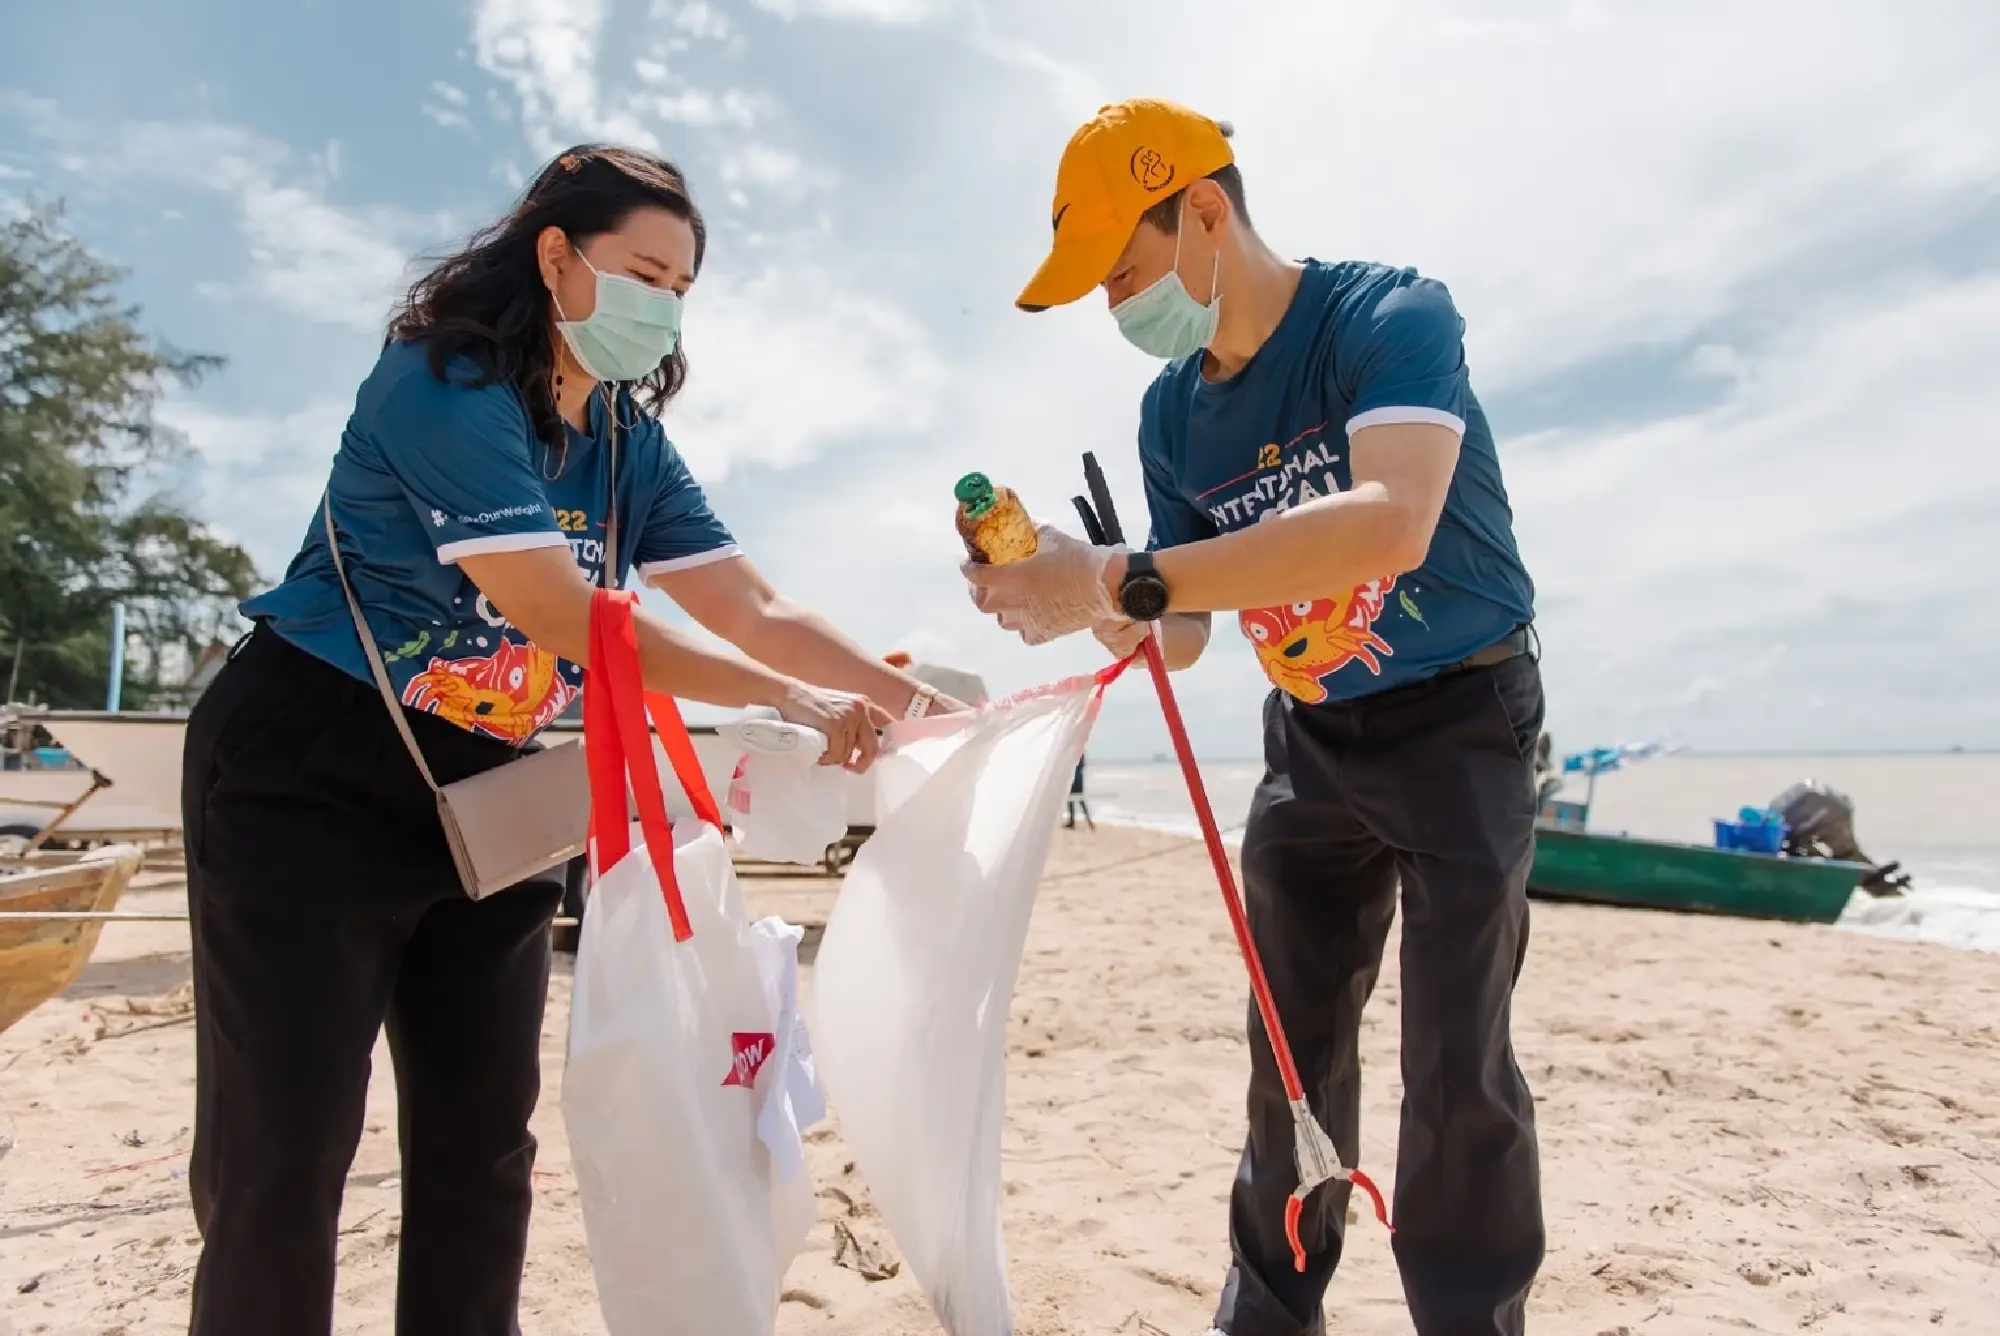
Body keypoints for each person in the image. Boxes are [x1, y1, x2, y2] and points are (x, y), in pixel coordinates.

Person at [181, 144, 962, 1335]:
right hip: (310, 766)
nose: (665, 306)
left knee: (484, 1143)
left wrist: (916, 712)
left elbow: (753, 607)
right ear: (556, 256)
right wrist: (789, 704)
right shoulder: (441, 383)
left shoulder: (624, 445)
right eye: (644, 270)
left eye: (684, 288)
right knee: (284, 1154)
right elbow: (562, 610)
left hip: (502, 788)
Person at [967, 101, 1544, 1336]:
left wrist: (1123, 575)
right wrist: (1095, 605)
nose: (1114, 307)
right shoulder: (1172, 414)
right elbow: (1179, 623)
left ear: (1207, 213)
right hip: (1312, 740)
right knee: (1288, 1050)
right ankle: (1273, 1306)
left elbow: (1393, 516)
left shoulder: (1386, 316)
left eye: (1121, 269)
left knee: (1456, 1063)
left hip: (1461, 712)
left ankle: (1466, 1316)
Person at [1065, 752, 1093, 830]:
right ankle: (1088, 822)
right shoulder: (1080, 762)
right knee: (1080, 803)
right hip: (1079, 782)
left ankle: (1073, 822)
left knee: (1073, 802)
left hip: (1075, 782)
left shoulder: (1075, 761)